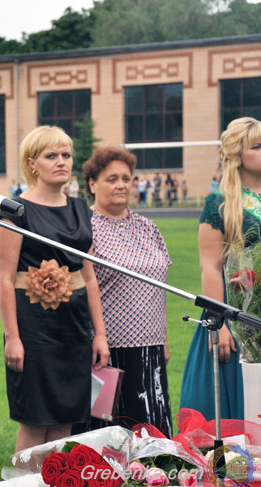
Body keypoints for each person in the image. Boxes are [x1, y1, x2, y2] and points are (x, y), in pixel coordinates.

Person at [0, 125, 109, 453]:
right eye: (51, 156)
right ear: (32, 164)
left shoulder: (81, 209)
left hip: (73, 329)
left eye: (66, 155)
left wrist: (99, 335)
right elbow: (5, 279)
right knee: (35, 420)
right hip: (33, 329)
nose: (61, 161)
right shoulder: (14, 211)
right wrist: (13, 338)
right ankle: (25, 483)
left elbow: (89, 277)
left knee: (65, 420)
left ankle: (57, 479)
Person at [80, 146, 173, 436]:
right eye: (111, 179)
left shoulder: (148, 227)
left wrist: (164, 337)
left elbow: (159, 285)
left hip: (151, 346)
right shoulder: (84, 228)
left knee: (152, 433)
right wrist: (98, 337)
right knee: (107, 434)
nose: (121, 185)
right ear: (92, 184)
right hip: (108, 350)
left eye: (126, 178)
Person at [180, 117, 261, 420]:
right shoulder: (220, 203)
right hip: (237, 312)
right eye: (257, 146)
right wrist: (221, 323)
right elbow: (211, 267)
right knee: (241, 406)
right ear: (236, 154)